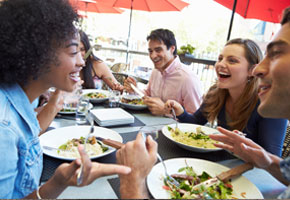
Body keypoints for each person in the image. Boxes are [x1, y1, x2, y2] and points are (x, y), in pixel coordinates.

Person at [0, 0, 131, 198]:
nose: (81, 61)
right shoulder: (3, 129)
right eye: (72, 52)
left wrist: (59, 182)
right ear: (37, 55)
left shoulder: (25, 101)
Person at [208, 7, 290, 198]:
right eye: (220, 58)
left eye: (277, 53)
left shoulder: (265, 106)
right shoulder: (217, 92)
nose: (258, 70)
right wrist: (267, 162)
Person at [165, 38, 287, 156]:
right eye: (220, 59)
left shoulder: (269, 103)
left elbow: (272, 157)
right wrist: (181, 112)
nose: (220, 65)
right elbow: (197, 122)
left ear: (252, 70)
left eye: (232, 60)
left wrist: (244, 146)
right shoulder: (216, 92)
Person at [124, 28, 203, 116]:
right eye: (150, 51)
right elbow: (148, 95)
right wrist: (134, 90)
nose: (153, 56)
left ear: (172, 49)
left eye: (158, 50)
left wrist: (166, 111)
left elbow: (195, 121)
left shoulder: (188, 78)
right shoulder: (156, 71)